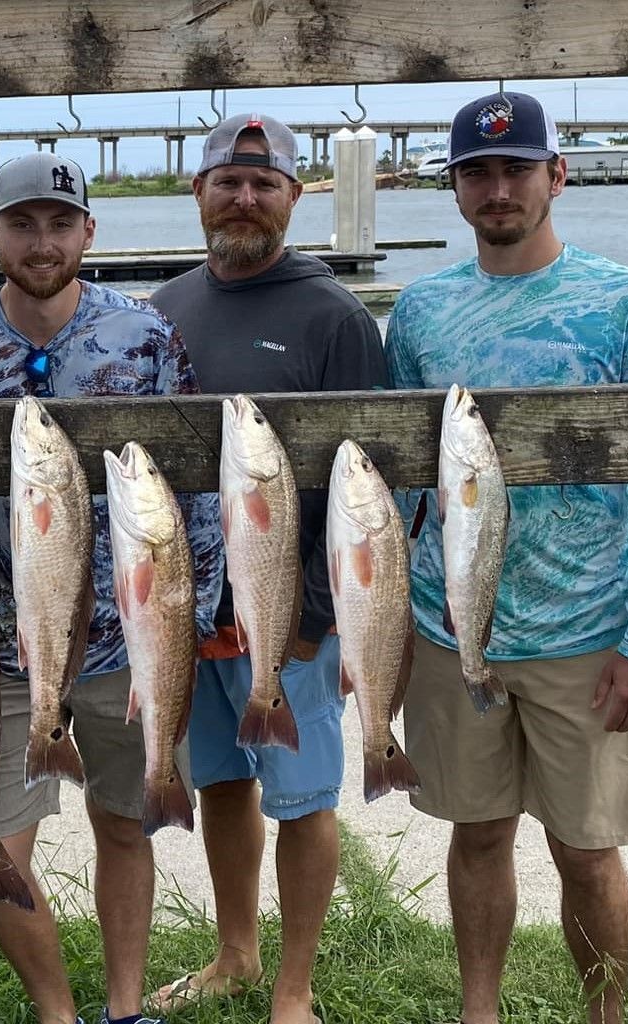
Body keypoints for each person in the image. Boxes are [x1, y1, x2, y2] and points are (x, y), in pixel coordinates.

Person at [386, 91, 628, 1024]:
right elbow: (404, 483)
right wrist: (392, 633)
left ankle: (608, 1016)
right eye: (477, 173)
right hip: (449, 624)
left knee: (587, 848)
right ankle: (479, 1011)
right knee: (480, 831)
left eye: (516, 169)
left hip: (585, 627)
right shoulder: (418, 311)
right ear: (456, 190)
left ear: (556, 177)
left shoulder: (624, 301)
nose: (498, 189)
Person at [0, 151, 224, 1024]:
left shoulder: (143, 336)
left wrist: (199, 615)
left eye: (60, 223)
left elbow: (196, 491)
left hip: (128, 636)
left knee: (126, 821)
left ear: (88, 232)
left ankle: (124, 1007)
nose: (42, 242)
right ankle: (55, 1010)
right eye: (23, 224)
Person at [144, 115, 386, 1024]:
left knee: (303, 792)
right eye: (227, 181)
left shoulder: (337, 318)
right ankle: (234, 955)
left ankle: (294, 987)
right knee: (222, 782)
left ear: (295, 195)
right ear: (198, 192)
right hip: (193, 607)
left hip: (299, 612)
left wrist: (317, 615)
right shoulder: (164, 309)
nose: (244, 198)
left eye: (266, 183)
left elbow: (368, 484)